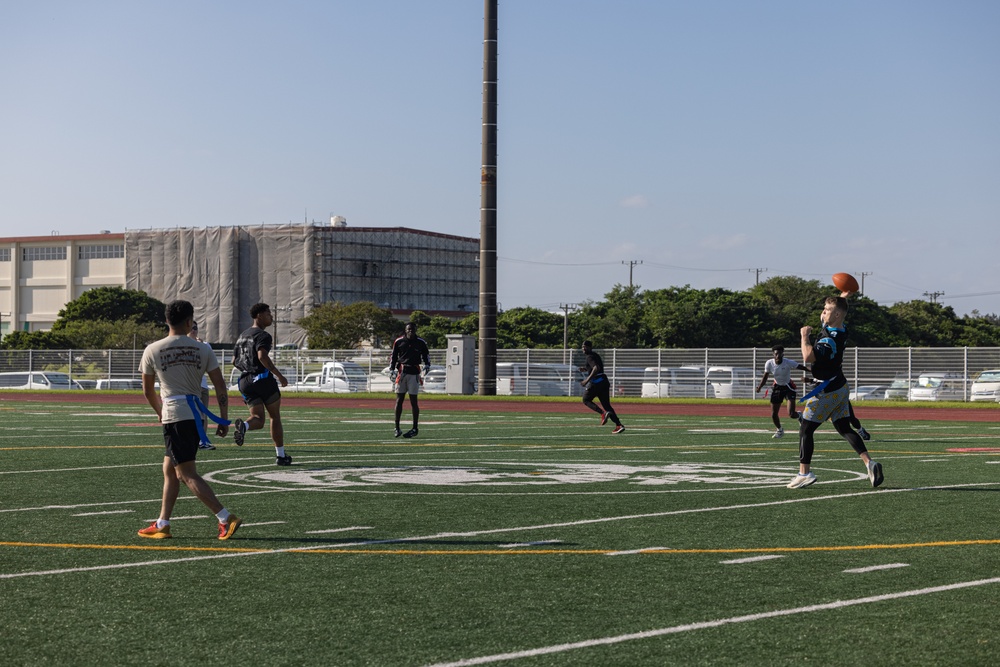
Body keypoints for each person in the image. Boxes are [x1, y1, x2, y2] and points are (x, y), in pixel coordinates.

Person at [137, 300, 242, 540]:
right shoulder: (203, 348)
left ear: (166, 321)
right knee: (169, 469)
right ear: (189, 322)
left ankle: (225, 517)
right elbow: (220, 386)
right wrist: (223, 418)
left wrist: (159, 412)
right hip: (196, 414)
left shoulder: (152, 349)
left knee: (186, 473)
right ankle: (163, 522)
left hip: (174, 414)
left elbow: (147, 391)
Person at [788, 294, 883, 489]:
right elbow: (832, 315)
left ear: (837, 314)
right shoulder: (840, 328)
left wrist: (804, 336)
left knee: (806, 429)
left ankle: (804, 473)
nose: (822, 312)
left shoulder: (828, 340)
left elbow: (807, 356)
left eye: (826, 310)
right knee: (844, 428)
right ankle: (869, 463)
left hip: (826, 390)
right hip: (840, 386)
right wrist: (842, 297)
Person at [232, 303, 292, 466]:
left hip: (245, 381)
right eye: (268, 313)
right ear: (259, 315)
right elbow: (262, 356)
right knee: (275, 417)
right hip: (262, 378)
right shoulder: (263, 335)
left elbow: (234, 361)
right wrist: (279, 376)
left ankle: (244, 426)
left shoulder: (242, 335)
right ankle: (280, 456)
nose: (271, 316)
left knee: (258, 419)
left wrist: (247, 369)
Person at [756, 345, 808, 439]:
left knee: (791, 414)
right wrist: (759, 387)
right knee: (773, 414)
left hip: (788, 387)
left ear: (783, 354)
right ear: (773, 354)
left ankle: (799, 415)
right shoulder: (769, 363)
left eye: (780, 353)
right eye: (776, 354)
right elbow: (765, 377)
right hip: (777, 388)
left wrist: (812, 370)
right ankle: (779, 430)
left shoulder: (787, 362)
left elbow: (799, 366)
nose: (778, 356)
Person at [389, 322, 430, 438]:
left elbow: (426, 355)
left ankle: (415, 428)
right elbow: (393, 356)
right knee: (399, 400)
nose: (410, 331)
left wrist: (427, 365)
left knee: (413, 401)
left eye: (412, 329)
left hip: (414, 373)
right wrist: (391, 369)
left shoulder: (420, 342)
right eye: (409, 329)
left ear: (416, 330)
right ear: (405, 330)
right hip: (402, 372)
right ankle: (396, 427)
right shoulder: (399, 341)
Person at [578, 340, 625, 434]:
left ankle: (602, 413)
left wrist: (586, 380)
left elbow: (596, 368)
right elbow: (595, 367)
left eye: (585, 347)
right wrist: (586, 369)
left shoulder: (589, 356)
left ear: (590, 347)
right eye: (582, 346)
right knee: (607, 405)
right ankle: (619, 425)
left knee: (586, 400)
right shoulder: (595, 355)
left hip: (596, 382)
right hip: (604, 381)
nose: (583, 348)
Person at [188, 320, 215, 450]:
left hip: (202, 385)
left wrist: (201, 347)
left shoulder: (205, 345)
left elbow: (209, 364)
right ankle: (193, 440)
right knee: (192, 415)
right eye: (191, 328)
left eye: (195, 328)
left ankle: (203, 441)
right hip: (190, 386)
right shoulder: (183, 345)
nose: (194, 330)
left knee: (203, 414)